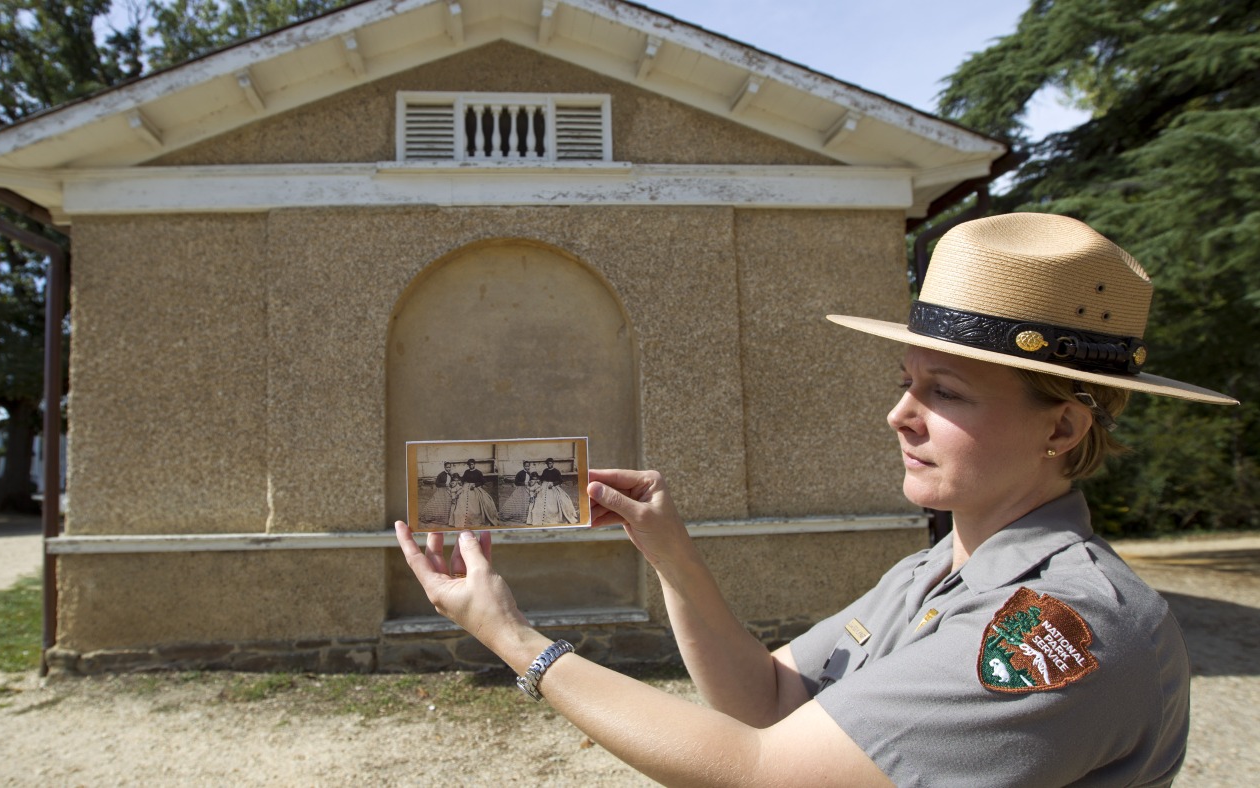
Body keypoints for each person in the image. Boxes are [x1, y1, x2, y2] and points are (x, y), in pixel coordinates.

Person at [395, 213, 1237, 786]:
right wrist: (673, 554)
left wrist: (512, 639)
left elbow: (758, 770)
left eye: (944, 393)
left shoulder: (1061, 625)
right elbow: (765, 699)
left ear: (1059, 428)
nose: (898, 415)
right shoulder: (931, 572)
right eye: (905, 382)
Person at [449, 458, 500, 528]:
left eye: (472, 464)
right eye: (469, 465)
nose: (471, 466)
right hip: (466, 488)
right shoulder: (466, 471)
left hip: (475, 488)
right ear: (468, 465)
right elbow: (463, 479)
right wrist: (459, 480)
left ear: (474, 464)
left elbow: (482, 481)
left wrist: (475, 485)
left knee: (480, 503)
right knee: (461, 502)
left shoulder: (478, 472)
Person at [527, 458, 578, 525]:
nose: (549, 465)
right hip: (544, 487)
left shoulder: (556, 471)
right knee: (539, 502)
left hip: (553, 487)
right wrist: (539, 480)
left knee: (559, 501)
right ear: (547, 464)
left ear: (553, 463)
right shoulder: (545, 470)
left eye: (550, 463)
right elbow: (542, 478)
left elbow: (560, 480)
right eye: (548, 463)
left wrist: (553, 484)